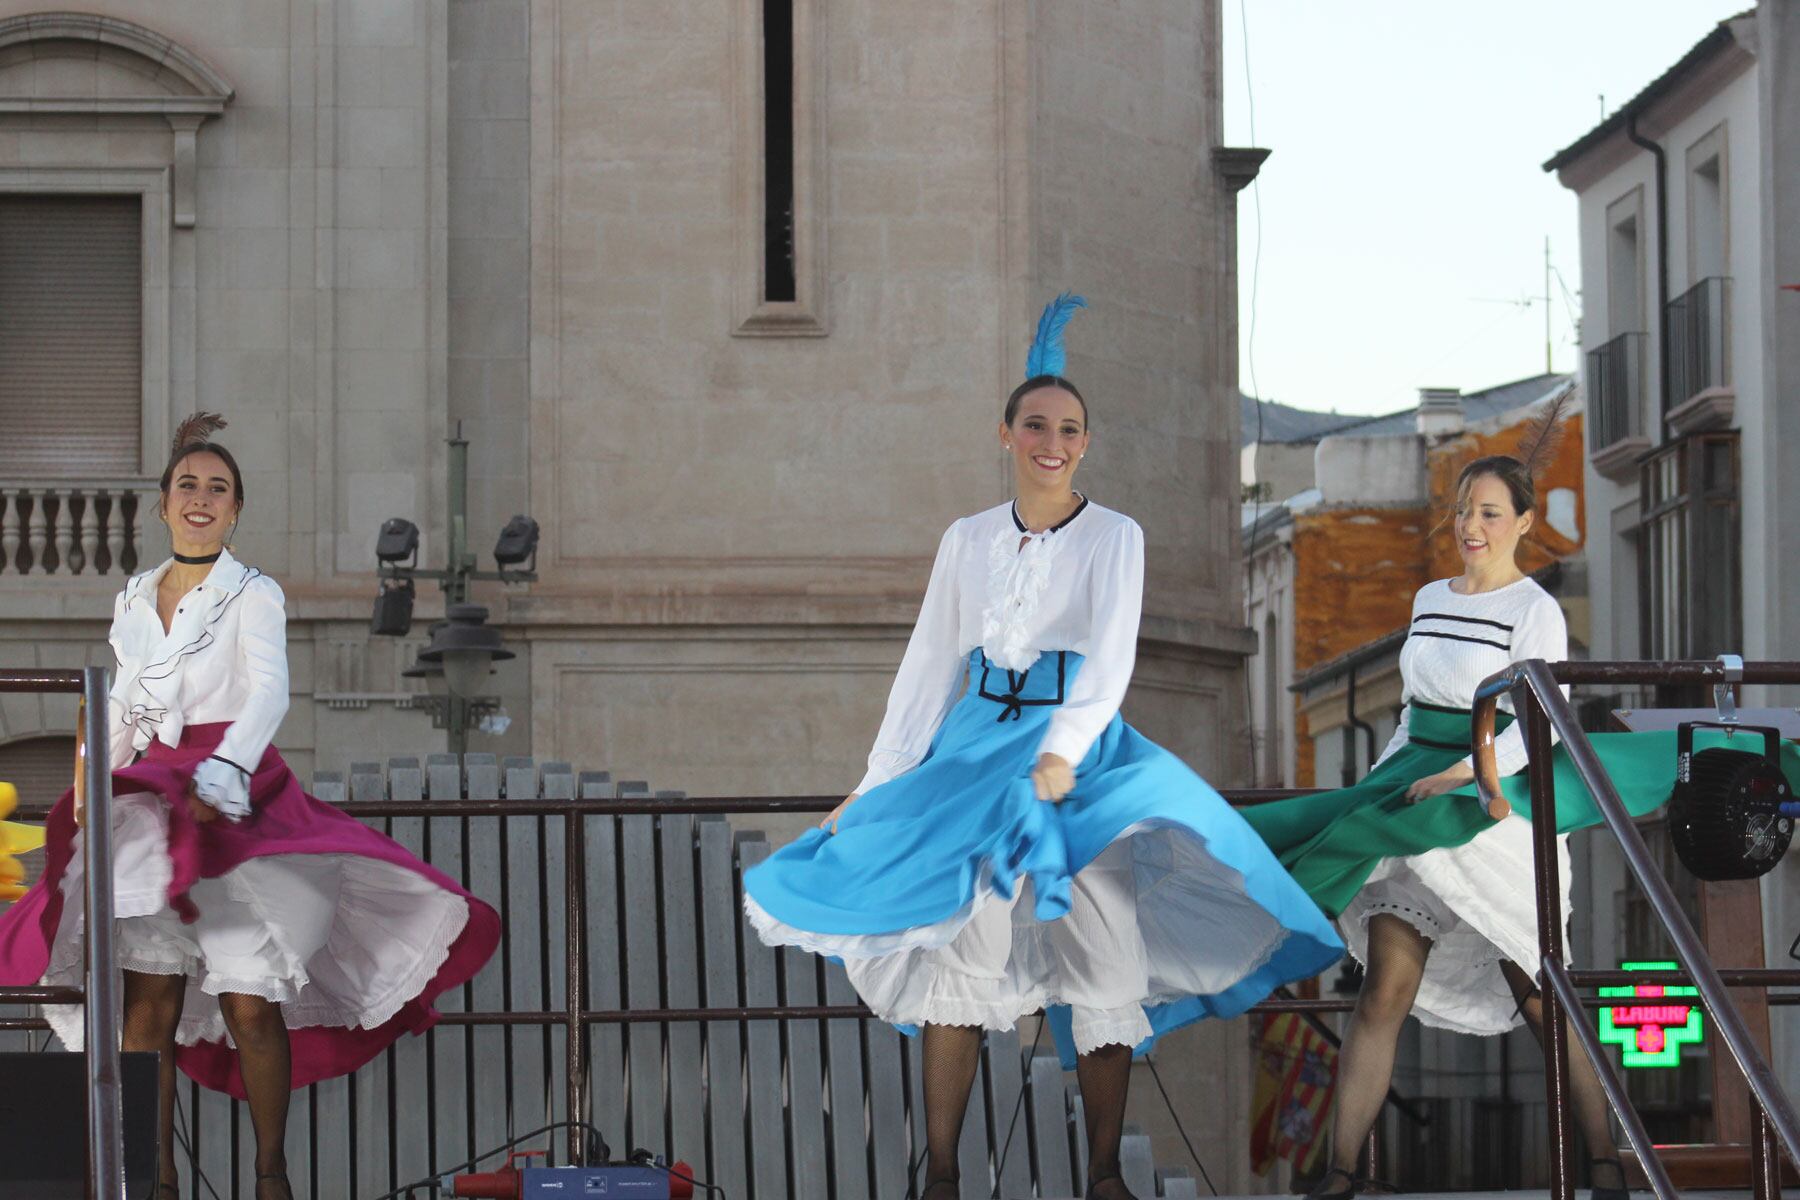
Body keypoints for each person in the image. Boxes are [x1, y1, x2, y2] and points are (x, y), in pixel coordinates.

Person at [743, 296, 1342, 1200]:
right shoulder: (967, 539)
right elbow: (928, 665)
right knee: (961, 938)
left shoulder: (1116, 537)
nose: (1051, 441)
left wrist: (1063, 749)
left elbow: (1110, 659)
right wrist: (876, 784)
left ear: (1086, 444)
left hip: (1079, 754)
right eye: (1035, 424)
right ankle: (940, 1176)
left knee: (1103, 944)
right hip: (973, 747)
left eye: (1068, 429)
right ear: (1007, 434)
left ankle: (1105, 1176)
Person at [0, 414, 501, 1200]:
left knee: (250, 1001)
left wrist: (225, 772)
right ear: (163, 504)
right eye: (188, 486)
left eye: (219, 489)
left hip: (233, 793)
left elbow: (268, 690)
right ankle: (151, 1180)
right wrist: (96, 775)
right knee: (148, 1003)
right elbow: (126, 702)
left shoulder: (253, 593)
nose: (201, 499)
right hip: (152, 798)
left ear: (236, 511)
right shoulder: (134, 596)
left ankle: (272, 1177)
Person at [1239, 395, 1628, 1200]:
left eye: (1488, 512)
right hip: (1415, 793)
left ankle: (1607, 1168)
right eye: (1463, 511)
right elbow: (1416, 712)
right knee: (1383, 990)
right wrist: (1384, 788)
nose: (1470, 525)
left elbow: (1539, 726)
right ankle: (1344, 1176)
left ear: (1522, 522)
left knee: (1540, 1001)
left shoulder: (1535, 612)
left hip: (1494, 816)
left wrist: (1467, 772)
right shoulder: (1429, 600)